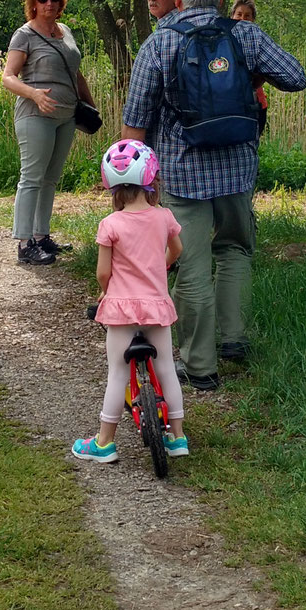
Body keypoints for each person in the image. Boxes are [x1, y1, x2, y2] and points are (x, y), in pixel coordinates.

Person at [121, 0, 306, 390]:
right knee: (236, 249)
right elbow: (296, 77)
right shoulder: (245, 34)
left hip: (184, 173)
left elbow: (135, 121)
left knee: (191, 263)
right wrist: (248, 74)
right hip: (239, 168)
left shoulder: (160, 42)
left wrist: (135, 183)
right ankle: (235, 339)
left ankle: (200, 365)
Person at [71, 139, 189, 464]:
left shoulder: (110, 224)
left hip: (121, 309)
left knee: (117, 375)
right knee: (166, 369)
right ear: (152, 179)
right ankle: (177, 437)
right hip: (156, 306)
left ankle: (104, 443)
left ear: (112, 186)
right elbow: (177, 251)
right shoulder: (164, 216)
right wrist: (159, 267)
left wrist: (106, 290)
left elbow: (102, 272)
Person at [3, 0, 99, 265]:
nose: (49, 3)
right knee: (32, 177)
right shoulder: (24, 35)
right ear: (33, 4)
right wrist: (34, 94)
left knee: (50, 179)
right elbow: (8, 77)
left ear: (61, 3)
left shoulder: (65, 32)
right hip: (36, 115)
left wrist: (90, 104)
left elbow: (76, 72)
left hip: (66, 114)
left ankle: (41, 236)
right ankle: (24, 243)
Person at [230, 0, 270, 122]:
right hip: (230, 105)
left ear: (253, 19)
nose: (242, 19)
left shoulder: (257, 40)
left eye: (247, 16)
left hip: (256, 104)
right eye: (239, 14)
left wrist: (251, 85)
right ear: (232, 16)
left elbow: (265, 71)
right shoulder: (224, 40)